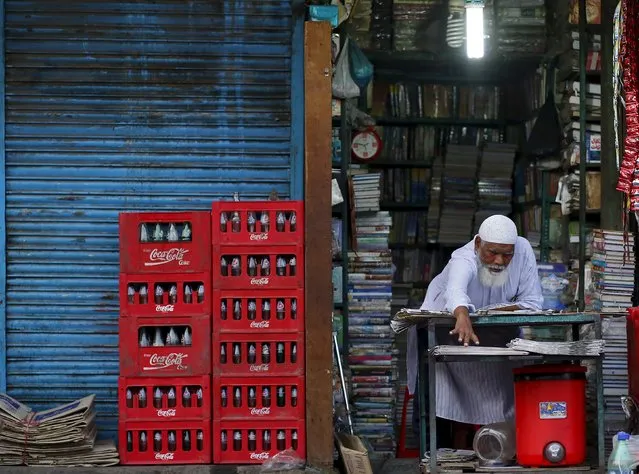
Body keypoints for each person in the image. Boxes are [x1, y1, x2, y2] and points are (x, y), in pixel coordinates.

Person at [407, 214, 544, 447]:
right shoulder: (463, 257)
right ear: (478, 243)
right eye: (492, 252)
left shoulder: (523, 250)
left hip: (488, 330)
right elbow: (456, 291)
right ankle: (432, 459)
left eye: (506, 254)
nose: (499, 261)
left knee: (505, 396)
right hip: (442, 329)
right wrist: (462, 314)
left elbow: (533, 302)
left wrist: (485, 313)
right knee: (434, 403)